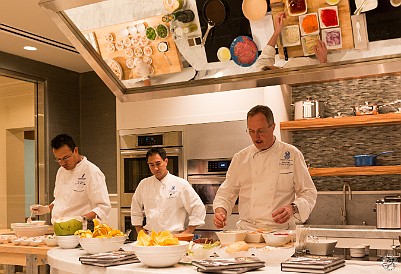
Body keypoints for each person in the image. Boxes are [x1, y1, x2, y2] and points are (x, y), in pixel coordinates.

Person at [213, 105, 317, 231]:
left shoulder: (291, 154)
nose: (256, 137)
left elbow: (309, 192)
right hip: (248, 232)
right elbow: (227, 192)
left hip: (281, 233)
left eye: (260, 131)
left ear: (273, 127)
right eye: (251, 131)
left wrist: (292, 208)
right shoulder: (241, 158)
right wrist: (220, 212)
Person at [30, 134, 111, 224]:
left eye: (65, 158)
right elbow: (61, 201)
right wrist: (46, 209)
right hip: (59, 228)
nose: (62, 163)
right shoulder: (61, 171)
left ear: (75, 150)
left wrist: (81, 219)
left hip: (82, 231)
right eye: (58, 159)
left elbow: (103, 208)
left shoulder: (92, 171)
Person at [131, 147, 206, 235]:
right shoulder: (144, 184)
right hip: (151, 237)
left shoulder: (181, 184)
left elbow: (198, 207)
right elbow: (135, 208)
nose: (155, 168)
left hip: (174, 236)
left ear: (166, 161)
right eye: (151, 165)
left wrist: (188, 232)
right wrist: (139, 230)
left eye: (158, 163)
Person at [255, 12, 328, 71]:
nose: (274, 66)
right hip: (321, 66)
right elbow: (324, 85)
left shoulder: (261, 72)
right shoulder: (293, 80)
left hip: (311, 59)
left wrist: (277, 31)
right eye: (275, 68)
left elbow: (265, 57)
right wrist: (323, 61)